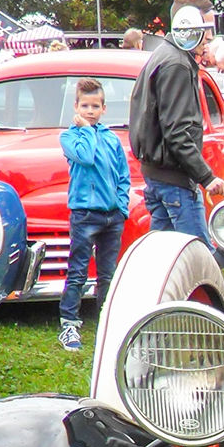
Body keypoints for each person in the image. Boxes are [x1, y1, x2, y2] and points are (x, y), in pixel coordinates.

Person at [128, 0, 224, 248]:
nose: (209, 37)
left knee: (163, 259)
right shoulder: (177, 65)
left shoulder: (166, 56)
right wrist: (207, 178)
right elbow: (177, 133)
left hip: (160, 178)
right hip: (175, 183)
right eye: (205, 28)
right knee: (199, 257)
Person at [57, 78, 130, 353]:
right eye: (85, 106)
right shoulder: (69, 137)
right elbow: (85, 157)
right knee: (77, 271)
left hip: (112, 217)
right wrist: (86, 131)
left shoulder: (112, 139)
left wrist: (121, 207)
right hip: (84, 215)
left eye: (95, 106)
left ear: (104, 108)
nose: (90, 110)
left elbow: (123, 176)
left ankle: (107, 324)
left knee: (108, 275)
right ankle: (69, 324)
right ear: (76, 107)